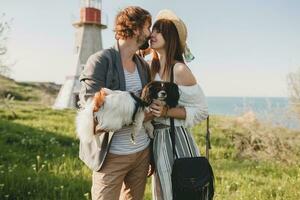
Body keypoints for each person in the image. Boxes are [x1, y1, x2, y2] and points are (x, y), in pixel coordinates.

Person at [78, 6, 152, 200]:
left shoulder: (143, 66)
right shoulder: (100, 60)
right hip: (111, 156)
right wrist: (139, 113)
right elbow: (91, 111)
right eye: (147, 27)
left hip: (141, 152)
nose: (149, 33)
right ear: (135, 29)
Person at [148, 10, 209, 200]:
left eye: (159, 31)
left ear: (171, 37)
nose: (152, 34)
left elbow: (202, 110)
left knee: (182, 192)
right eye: (153, 30)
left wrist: (167, 111)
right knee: (162, 192)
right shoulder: (151, 68)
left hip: (177, 142)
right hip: (156, 141)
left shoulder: (180, 70)